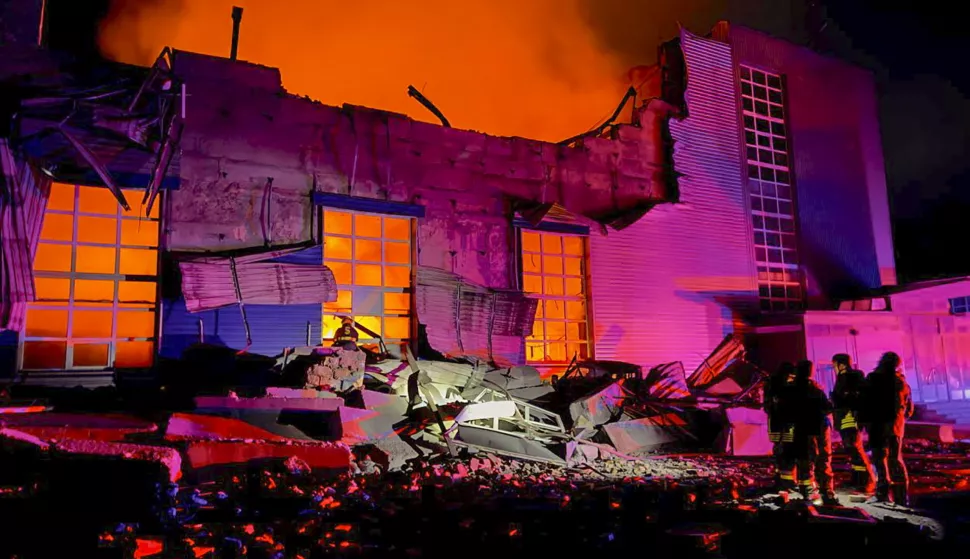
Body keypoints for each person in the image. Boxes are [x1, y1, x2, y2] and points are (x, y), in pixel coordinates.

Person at [866, 351, 914, 506]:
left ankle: (882, 493)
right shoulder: (902, 382)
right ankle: (902, 497)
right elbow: (909, 409)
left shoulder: (873, 379)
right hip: (895, 427)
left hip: (878, 426)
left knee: (880, 460)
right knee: (895, 460)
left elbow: (865, 403)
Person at [790, 360, 837, 504]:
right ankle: (826, 491)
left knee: (804, 459)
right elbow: (828, 407)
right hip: (819, 427)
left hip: (801, 428)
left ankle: (807, 492)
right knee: (823, 458)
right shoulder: (815, 389)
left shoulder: (791, 389)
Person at [830, 353, 876, 494]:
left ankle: (867, 480)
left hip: (850, 417)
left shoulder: (851, 376)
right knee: (851, 449)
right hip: (846, 417)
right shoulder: (845, 377)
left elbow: (852, 397)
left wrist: (840, 398)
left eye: (834, 365)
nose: (834, 368)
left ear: (841, 364)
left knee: (854, 448)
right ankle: (857, 478)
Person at [765, 362, 797, 491]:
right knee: (787, 452)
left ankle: (780, 479)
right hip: (786, 425)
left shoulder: (770, 386)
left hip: (775, 424)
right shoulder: (786, 387)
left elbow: (767, 407)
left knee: (779, 451)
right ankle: (786, 482)